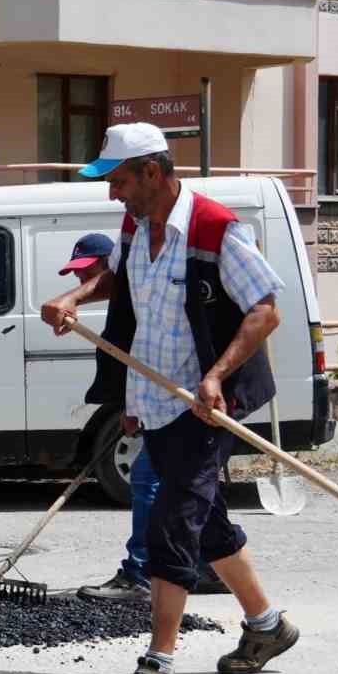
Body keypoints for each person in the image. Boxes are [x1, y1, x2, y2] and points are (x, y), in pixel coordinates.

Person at [40, 122, 300, 674]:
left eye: (119, 181)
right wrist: (75, 298)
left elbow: (265, 311)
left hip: (202, 408)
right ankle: (267, 624)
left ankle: (158, 666)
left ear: (152, 173)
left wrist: (215, 377)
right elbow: (123, 281)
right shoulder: (137, 226)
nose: (113, 195)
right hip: (156, 401)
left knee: (171, 526)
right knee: (207, 526)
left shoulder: (214, 229)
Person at [49, 233, 226, 605]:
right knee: (191, 488)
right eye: (77, 274)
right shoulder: (128, 305)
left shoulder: (138, 301)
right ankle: (210, 564)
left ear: (110, 266)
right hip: (162, 403)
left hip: (185, 403)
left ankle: (140, 573)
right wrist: (132, 406)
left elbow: (147, 358)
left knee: (149, 481)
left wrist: (133, 406)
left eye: (88, 271)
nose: (82, 281)